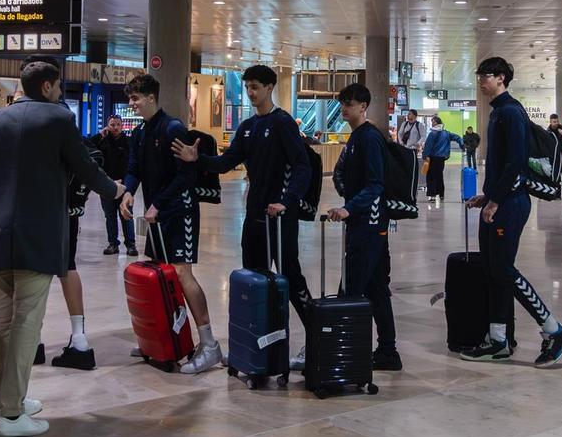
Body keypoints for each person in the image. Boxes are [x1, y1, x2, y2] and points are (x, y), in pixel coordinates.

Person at [0, 60, 124, 437]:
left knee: (0, 320)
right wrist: (116, 191)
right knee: (26, 322)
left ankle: (12, 400)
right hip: (36, 233)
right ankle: (10, 414)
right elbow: (85, 167)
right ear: (50, 86)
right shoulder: (58, 120)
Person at [172, 64, 314, 368]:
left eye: (255, 87)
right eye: (247, 87)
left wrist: (287, 201)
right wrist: (198, 160)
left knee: (290, 277)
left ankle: (317, 337)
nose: (250, 93)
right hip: (254, 218)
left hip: (280, 219)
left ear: (269, 88)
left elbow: (303, 167)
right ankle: (259, 349)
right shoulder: (248, 127)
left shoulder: (283, 123)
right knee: (255, 281)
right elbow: (226, 163)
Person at [462, 57, 562, 367]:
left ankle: (553, 328)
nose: (481, 81)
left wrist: (497, 200)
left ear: (501, 78)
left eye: (485, 76)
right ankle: (497, 340)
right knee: (494, 270)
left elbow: (516, 162)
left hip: (511, 204)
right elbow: (501, 165)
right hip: (502, 199)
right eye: (479, 75)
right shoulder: (500, 112)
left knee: (503, 269)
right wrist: (488, 195)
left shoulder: (510, 112)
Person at [120, 74, 221, 373]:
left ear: (151, 97)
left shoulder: (173, 128)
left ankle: (209, 344)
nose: (132, 104)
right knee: (161, 274)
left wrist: (158, 204)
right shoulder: (140, 132)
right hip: (158, 214)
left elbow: (186, 176)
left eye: (135, 98)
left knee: (181, 273)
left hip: (180, 212)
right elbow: (134, 167)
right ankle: (165, 338)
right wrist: (128, 192)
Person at [326, 83, 401, 370]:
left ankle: (348, 352)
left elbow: (376, 185)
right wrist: (347, 194)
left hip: (369, 225)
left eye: (351, 103)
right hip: (364, 223)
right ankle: (387, 351)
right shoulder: (356, 137)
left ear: (363, 107)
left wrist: (349, 206)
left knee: (352, 288)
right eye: (343, 102)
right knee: (376, 288)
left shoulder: (369, 138)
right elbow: (341, 174)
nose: (345, 108)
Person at [89, 114, 136, 256]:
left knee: (126, 215)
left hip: (124, 186)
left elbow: (133, 166)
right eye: (112, 125)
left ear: (122, 126)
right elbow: (87, 147)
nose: (115, 127)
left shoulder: (128, 142)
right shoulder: (102, 141)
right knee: (110, 216)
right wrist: (99, 136)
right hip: (107, 186)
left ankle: (131, 245)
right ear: (107, 126)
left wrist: (128, 186)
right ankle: (112, 244)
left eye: (117, 125)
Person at [422, 116, 464, 202]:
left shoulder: (433, 133)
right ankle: (441, 194)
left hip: (433, 157)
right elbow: (458, 137)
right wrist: (462, 144)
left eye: (432, 121)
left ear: (437, 122)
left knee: (431, 176)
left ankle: (432, 195)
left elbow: (428, 146)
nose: (432, 123)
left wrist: (425, 155)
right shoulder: (446, 133)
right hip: (442, 158)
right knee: (439, 176)